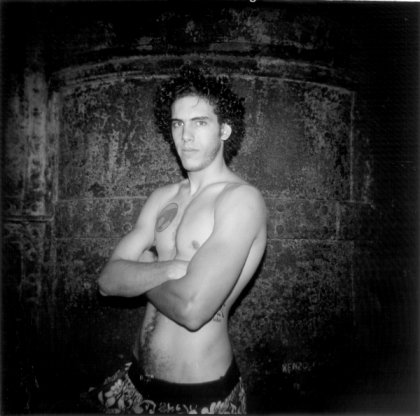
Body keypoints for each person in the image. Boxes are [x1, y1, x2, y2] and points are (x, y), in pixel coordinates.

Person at [86, 65, 267, 414]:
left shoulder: (240, 200)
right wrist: (170, 268)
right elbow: (107, 282)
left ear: (224, 130)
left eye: (199, 123)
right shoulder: (162, 197)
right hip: (135, 382)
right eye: (177, 124)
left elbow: (192, 310)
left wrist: (142, 269)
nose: (185, 136)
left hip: (200, 397)